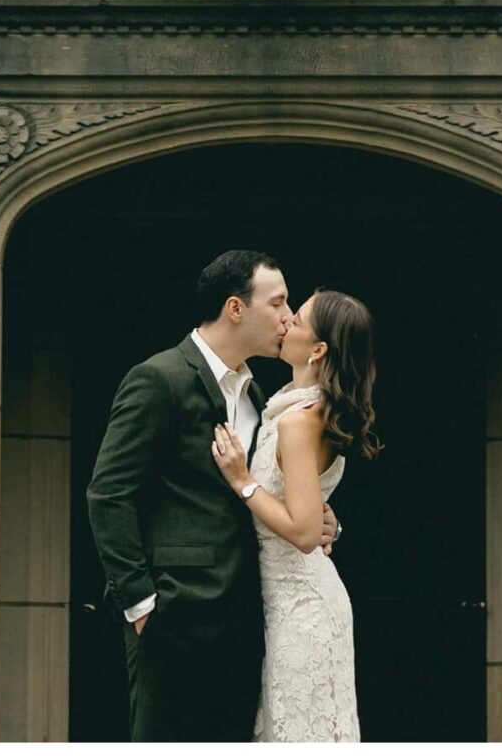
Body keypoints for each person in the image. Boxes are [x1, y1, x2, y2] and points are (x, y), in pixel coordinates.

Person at [86, 249, 339, 744]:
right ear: (235, 309)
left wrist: (323, 517)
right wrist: (141, 607)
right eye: (278, 303)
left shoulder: (258, 397)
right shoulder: (160, 379)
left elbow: (270, 491)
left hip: (246, 619)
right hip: (174, 619)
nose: (288, 318)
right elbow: (108, 494)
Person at [211, 286, 380, 745]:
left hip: (302, 609)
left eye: (298, 319)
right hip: (286, 600)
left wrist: (242, 480)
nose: (286, 322)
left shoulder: (299, 420)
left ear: (319, 348)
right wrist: (331, 522)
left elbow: (304, 532)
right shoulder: (298, 407)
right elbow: (309, 510)